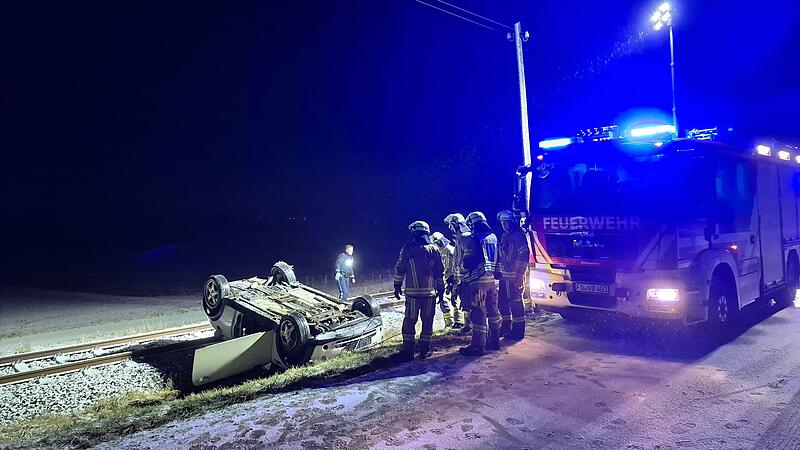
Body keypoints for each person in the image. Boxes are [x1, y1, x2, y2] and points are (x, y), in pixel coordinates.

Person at [393, 221, 445, 360]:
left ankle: (408, 352)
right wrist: (441, 289)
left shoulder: (408, 248)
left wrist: (397, 285)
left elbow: (400, 268)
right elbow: (439, 271)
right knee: (428, 322)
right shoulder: (434, 249)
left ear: (415, 233)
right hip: (430, 295)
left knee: (410, 321)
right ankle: (424, 351)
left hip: (413, 295)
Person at [459, 211, 500, 356]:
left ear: (473, 225)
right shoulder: (493, 238)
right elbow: (498, 260)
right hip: (492, 281)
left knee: (478, 313)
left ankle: (478, 346)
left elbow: (468, 261)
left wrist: (461, 271)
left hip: (477, 281)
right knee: (493, 310)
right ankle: (494, 340)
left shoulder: (474, 239)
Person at [497, 210, 531, 340]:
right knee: (503, 303)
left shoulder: (518, 236)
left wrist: (519, 274)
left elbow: (524, 256)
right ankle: (505, 327)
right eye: (502, 223)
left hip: (515, 277)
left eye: (506, 223)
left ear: (512, 223)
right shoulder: (505, 236)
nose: (504, 225)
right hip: (504, 277)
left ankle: (518, 331)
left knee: (516, 303)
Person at [444, 213, 473, 335]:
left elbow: (466, 261)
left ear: (456, 225)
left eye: (451, 226)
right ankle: (468, 326)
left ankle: (472, 328)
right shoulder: (459, 239)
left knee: (470, 304)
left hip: (468, 279)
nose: (450, 229)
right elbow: (456, 261)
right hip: (462, 279)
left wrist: (460, 277)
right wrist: (453, 278)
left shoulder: (465, 238)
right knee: (465, 303)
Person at [431, 231, 463, 328]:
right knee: (443, 300)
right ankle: (449, 323)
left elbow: (456, 264)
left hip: (452, 279)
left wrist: (453, 279)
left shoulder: (450, 250)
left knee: (455, 299)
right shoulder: (438, 251)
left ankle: (459, 322)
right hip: (444, 279)